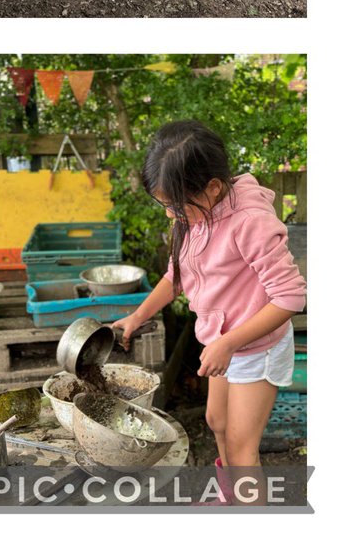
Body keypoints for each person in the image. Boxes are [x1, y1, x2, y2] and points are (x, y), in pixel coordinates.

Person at [112, 122, 304, 506]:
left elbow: (290, 297)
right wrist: (137, 316)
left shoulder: (250, 222)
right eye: (165, 204)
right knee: (216, 421)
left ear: (213, 187)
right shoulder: (194, 218)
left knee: (241, 447)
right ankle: (232, 498)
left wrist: (230, 343)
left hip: (254, 346)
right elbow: (176, 276)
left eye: (176, 204)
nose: (170, 215)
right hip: (223, 341)